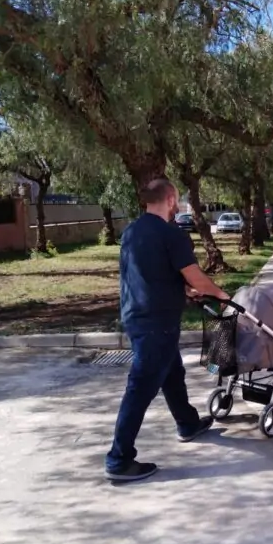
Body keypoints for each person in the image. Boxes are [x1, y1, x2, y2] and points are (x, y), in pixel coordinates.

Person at [105, 178, 230, 482]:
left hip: (137, 317)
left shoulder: (132, 232)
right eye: (178, 200)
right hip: (156, 323)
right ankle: (119, 459)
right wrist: (220, 295)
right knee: (140, 389)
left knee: (173, 373)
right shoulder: (171, 234)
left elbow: (147, 275)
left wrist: (182, 291)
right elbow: (196, 276)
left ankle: (187, 423)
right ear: (171, 199)